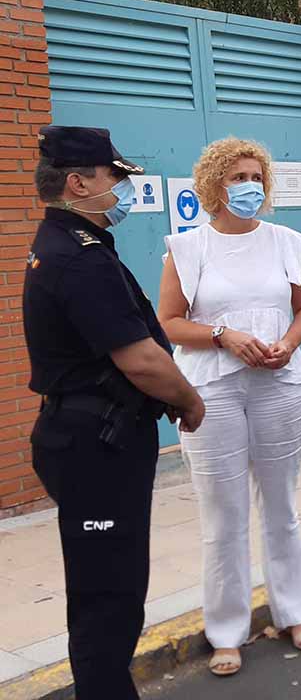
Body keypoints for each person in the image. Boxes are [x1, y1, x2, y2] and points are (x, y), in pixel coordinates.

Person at [23, 126, 206, 700]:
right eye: (113, 178)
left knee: (115, 585)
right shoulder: (77, 257)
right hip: (94, 445)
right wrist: (188, 399)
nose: (122, 190)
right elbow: (142, 359)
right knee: (109, 596)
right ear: (78, 183)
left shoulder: (77, 244)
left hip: (94, 437)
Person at [156, 138, 301, 676]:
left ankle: (293, 612)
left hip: (279, 381)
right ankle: (226, 629)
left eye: (256, 177)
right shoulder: (187, 249)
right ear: (213, 186)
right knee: (222, 513)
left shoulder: (287, 242)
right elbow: (170, 324)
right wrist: (224, 335)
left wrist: (289, 343)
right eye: (237, 178)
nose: (249, 186)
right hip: (211, 390)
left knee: (282, 506)